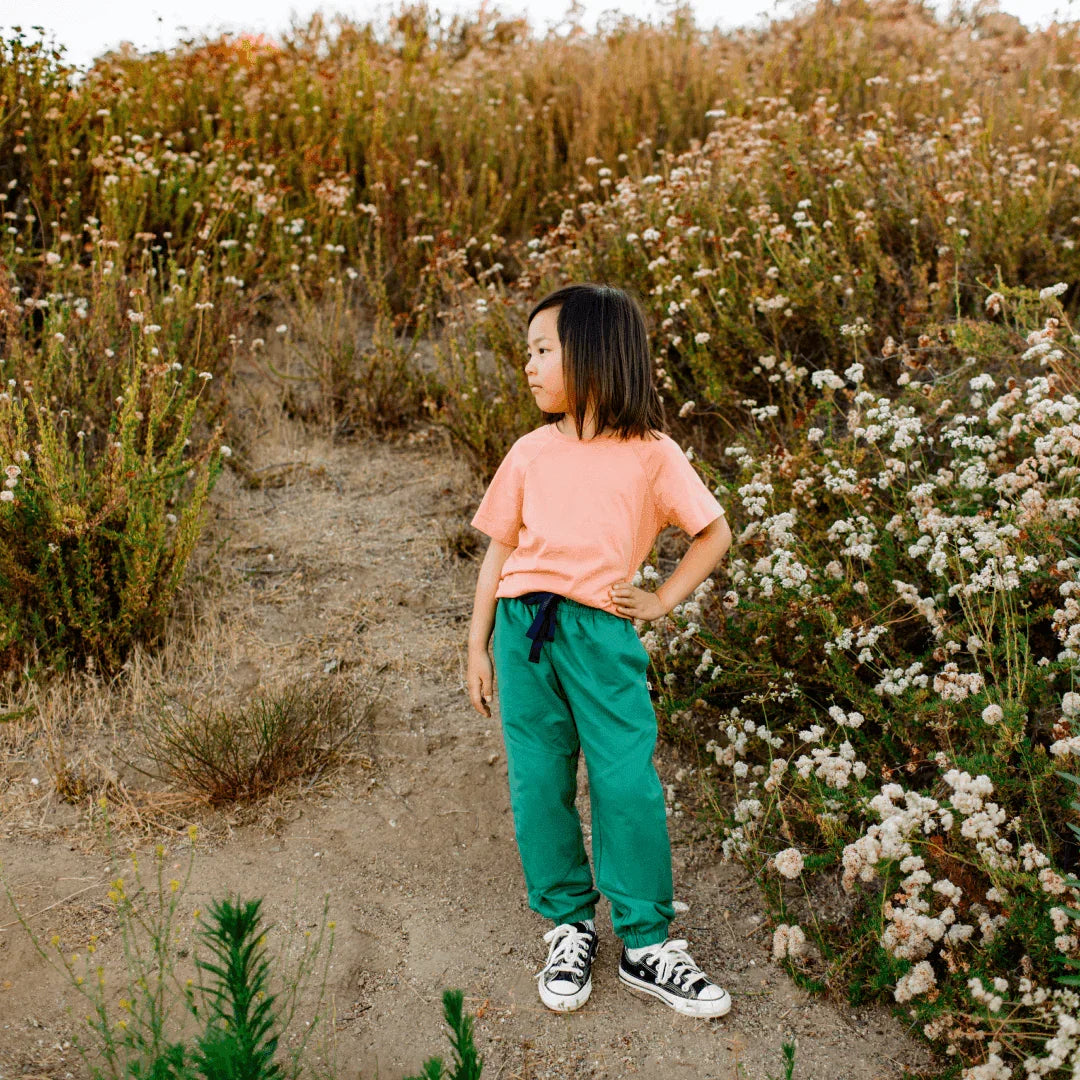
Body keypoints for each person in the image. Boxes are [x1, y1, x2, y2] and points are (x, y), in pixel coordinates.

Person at [466, 282, 733, 1018]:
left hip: (601, 634)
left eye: (543, 350)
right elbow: (498, 555)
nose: (529, 365)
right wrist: (477, 647)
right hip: (525, 634)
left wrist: (661, 599)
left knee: (626, 783)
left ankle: (647, 943)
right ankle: (570, 925)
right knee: (538, 781)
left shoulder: (651, 453)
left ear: (593, 354)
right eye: (528, 352)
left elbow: (713, 531)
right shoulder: (528, 451)